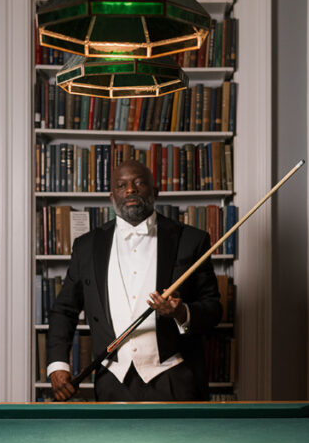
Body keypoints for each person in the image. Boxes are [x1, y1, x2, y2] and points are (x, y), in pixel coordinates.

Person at [46, 159, 223, 402]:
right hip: (112, 379)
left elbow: (213, 309)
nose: (130, 189)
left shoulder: (191, 240)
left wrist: (181, 312)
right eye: (121, 185)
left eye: (139, 183)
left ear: (155, 193)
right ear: (111, 197)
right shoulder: (86, 246)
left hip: (174, 377)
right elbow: (64, 310)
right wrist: (58, 365)